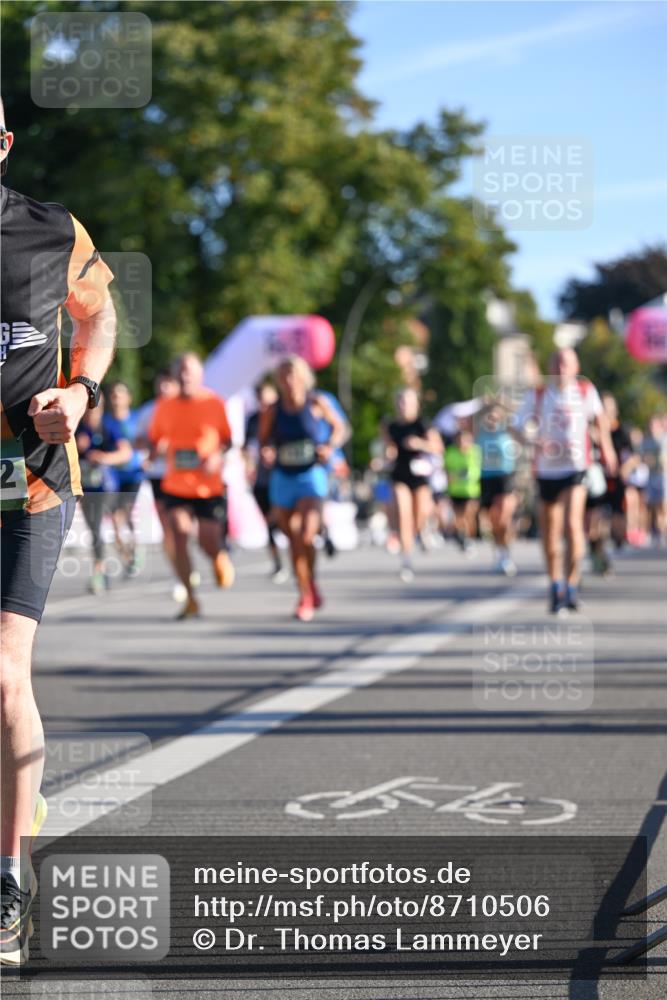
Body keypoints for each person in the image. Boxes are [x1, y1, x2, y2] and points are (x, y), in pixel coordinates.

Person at [0, 98, 116, 965]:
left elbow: (100, 317)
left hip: (28, 486)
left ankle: (10, 879)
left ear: (2, 143)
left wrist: (80, 394)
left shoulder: (51, 231)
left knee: (4, 673)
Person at [516, 348, 616, 613]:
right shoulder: (537, 395)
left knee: (573, 524)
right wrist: (532, 441)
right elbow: (514, 426)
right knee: (550, 533)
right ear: (550, 366)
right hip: (547, 471)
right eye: (557, 362)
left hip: (575, 466)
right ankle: (555, 583)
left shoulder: (585, 391)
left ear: (575, 366)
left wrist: (607, 449)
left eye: (566, 362)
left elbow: (600, 421)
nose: (561, 367)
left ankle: (572, 585)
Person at [259, 355, 346, 621]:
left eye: (293, 374)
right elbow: (263, 441)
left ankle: (305, 594)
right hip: (283, 478)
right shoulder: (272, 410)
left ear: (303, 376)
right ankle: (309, 584)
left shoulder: (316, 402)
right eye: (283, 375)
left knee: (305, 535)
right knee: (292, 537)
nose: (288, 380)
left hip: (311, 476)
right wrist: (267, 452)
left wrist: (329, 446)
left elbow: (340, 428)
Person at [149, 352, 234, 619]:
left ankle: (218, 557)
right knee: (179, 533)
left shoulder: (214, 403)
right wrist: (154, 450)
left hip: (209, 487)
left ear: (199, 376)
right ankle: (190, 597)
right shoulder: (165, 405)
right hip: (176, 484)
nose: (185, 376)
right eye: (181, 371)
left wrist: (217, 457)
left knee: (209, 542)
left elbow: (227, 441)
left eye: (189, 371)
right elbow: (156, 438)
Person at [382, 388, 443, 582]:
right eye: (400, 402)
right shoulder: (391, 426)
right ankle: (406, 559)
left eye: (407, 402)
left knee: (419, 516)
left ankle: (422, 530)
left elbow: (438, 447)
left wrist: (419, 444)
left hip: (420, 476)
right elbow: (388, 448)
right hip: (399, 475)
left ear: (415, 404)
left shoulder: (423, 424)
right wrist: (386, 456)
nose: (403, 406)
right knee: (403, 514)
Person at [76, 392, 133, 593]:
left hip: (106, 488)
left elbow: (125, 453)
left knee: (106, 527)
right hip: (85, 487)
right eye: (87, 411)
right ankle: (113, 564)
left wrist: (103, 458)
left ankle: (102, 569)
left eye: (95, 410)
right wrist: (75, 448)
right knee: (95, 530)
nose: (91, 415)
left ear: (101, 410)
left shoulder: (109, 427)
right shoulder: (77, 429)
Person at [134, 369, 180, 586]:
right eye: (160, 384)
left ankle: (184, 562)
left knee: (181, 524)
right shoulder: (148, 411)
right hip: (157, 475)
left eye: (168, 384)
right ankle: (178, 571)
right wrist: (151, 447)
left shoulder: (185, 409)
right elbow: (137, 441)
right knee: (167, 527)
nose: (163, 389)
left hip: (180, 474)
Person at [244, 381, 287, 582]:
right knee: (269, 523)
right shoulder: (252, 420)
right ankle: (277, 562)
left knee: (282, 520)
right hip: (260, 479)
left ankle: (319, 535)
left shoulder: (282, 416)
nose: (263, 404)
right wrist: (248, 466)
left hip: (281, 476)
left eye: (267, 399)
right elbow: (246, 448)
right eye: (260, 400)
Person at [103, 380, 145, 577]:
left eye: (121, 394)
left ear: (129, 398)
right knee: (115, 521)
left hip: (134, 474)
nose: (117, 399)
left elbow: (148, 440)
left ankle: (135, 549)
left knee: (124, 513)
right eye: (114, 395)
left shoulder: (137, 419)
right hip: (114, 476)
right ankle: (129, 555)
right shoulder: (106, 422)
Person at [476, 403, 518, 575]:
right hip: (485, 478)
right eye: (490, 416)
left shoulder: (507, 431)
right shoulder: (479, 433)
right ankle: (500, 554)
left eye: (496, 416)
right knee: (493, 521)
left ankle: (506, 553)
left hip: (505, 476)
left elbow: (519, 414)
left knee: (503, 518)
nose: (493, 419)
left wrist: (503, 403)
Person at [445, 425, 482, 554]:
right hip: (455, 491)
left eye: (465, 439)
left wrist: (465, 474)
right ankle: (463, 538)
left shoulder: (475, 451)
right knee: (458, 518)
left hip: (472, 491)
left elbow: (477, 470)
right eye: (459, 440)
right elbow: (446, 471)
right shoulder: (450, 452)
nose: (462, 443)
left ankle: (470, 539)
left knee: (469, 515)